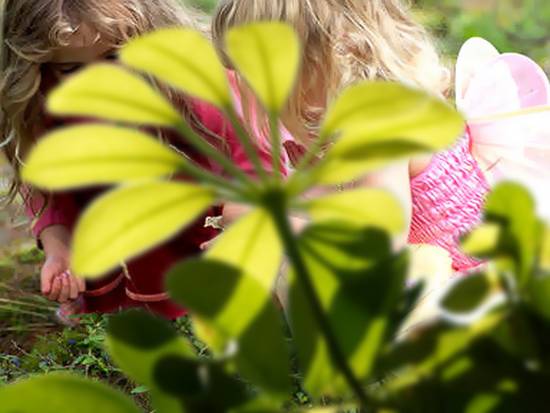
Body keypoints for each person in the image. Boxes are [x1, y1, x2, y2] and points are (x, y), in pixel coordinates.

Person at [1, 0, 278, 323]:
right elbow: (45, 181)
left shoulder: (190, 86)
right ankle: (117, 293)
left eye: (114, 56)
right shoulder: (46, 97)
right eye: (71, 68)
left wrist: (241, 210)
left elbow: (252, 151)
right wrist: (59, 246)